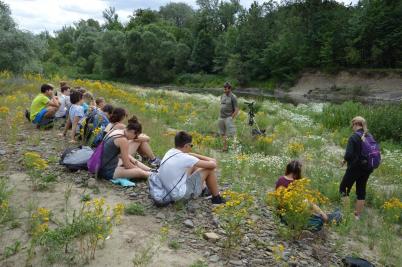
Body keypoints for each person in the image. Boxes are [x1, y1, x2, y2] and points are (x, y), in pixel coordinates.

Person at [157, 131, 225, 204]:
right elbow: (213, 164)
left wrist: (190, 155)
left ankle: (203, 189)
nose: (191, 148)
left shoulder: (170, 152)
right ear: (186, 146)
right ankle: (217, 198)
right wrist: (193, 154)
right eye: (191, 145)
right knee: (209, 170)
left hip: (165, 191)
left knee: (194, 165)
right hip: (178, 197)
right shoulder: (186, 158)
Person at [275, 160, 341, 229]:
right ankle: (326, 218)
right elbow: (299, 202)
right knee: (310, 205)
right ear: (298, 172)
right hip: (288, 216)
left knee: (307, 203)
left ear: (288, 169)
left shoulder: (280, 179)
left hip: (280, 213)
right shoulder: (295, 183)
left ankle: (325, 217)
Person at [340, 116, 374, 220]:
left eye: (352, 125)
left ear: (355, 124)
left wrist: (345, 160)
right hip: (367, 168)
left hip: (355, 168)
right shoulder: (369, 136)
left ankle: (346, 214)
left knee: (343, 189)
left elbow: (349, 154)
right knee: (361, 190)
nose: (352, 127)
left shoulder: (354, 137)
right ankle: (357, 216)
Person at [218, 82, 239, 152]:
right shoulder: (222, 96)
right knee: (222, 133)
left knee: (233, 133)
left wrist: (231, 117)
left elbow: (236, 109)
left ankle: (235, 149)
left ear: (229, 89)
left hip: (228, 117)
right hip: (221, 117)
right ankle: (225, 148)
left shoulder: (233, 97)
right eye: (224, 88)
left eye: (225, 88)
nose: (224, 90)